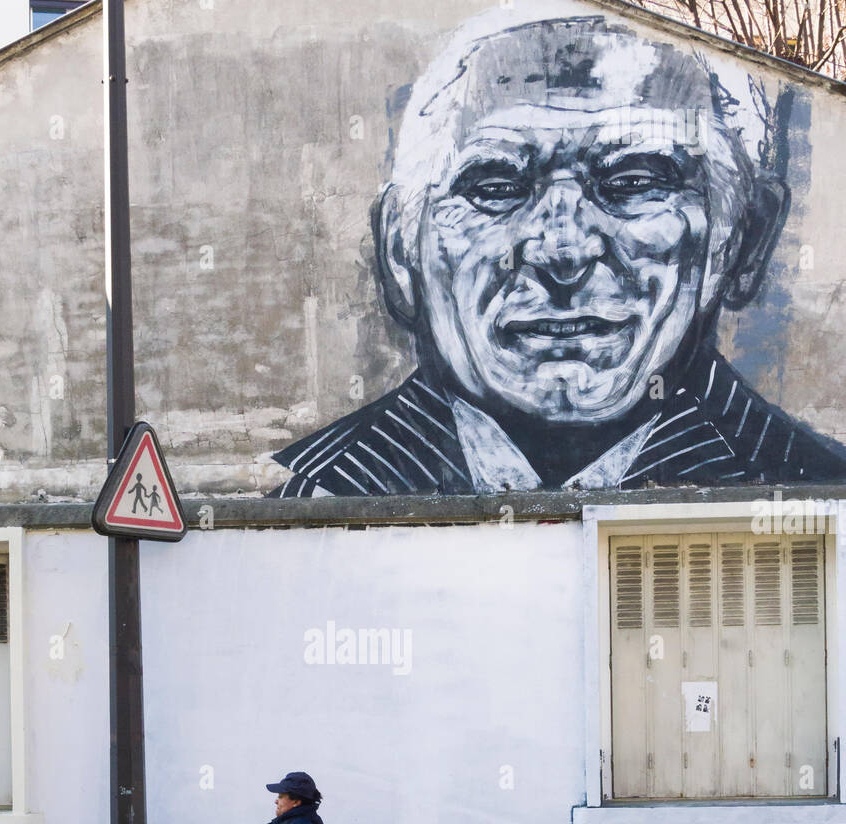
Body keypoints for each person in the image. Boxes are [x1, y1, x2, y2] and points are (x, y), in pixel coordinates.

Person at [269, 11, 846, 496]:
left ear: (741, 239)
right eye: (494, 189)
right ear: (400, 250)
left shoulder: (815, 487)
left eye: (634, 182)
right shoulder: (307, 498)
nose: (563, 249)